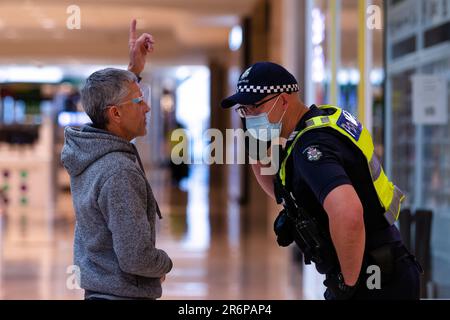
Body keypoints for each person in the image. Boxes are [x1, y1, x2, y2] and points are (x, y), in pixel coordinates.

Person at [221, 62, 422, 300]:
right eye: (242, 110)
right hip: (380, 267)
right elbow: (281, 192)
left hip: (373, 279)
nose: (248, 117)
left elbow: (348, 213)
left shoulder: (312, 148)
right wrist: (255, 146)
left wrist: (347, 284)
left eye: (253, 107)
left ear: (283, 101)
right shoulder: (317, 125)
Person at [61, 19, 173, 300]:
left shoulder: (89, 150)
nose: (146, 106)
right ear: (115, 114)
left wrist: (133, 71)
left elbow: (115, 100)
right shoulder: (118, 172)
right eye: (139, 101)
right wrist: (164, 264)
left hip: (101, 290)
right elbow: (135, 257)